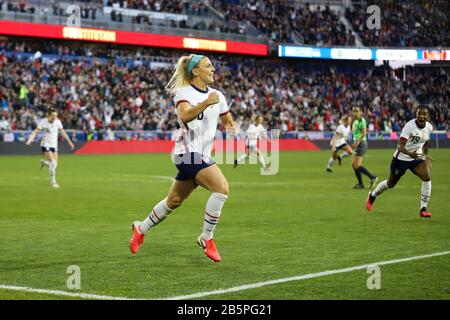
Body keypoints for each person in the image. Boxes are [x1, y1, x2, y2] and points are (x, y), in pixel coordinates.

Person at [129, 54, 238, 262]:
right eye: (209, 66)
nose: (213, 69)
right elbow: (185, 116)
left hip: (201, 155)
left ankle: (140, 229)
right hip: (186, 154)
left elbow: (228, 121)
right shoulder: (184, 93)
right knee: (222, 188)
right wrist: (206, 102)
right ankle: (207, 238)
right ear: (196, 71)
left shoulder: (218, 95)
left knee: (174, 200)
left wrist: (231, 130)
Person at [366, 106, 433, 218]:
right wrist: (410, 154)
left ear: (427, 116)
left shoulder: (429, 127)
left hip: (417, 158)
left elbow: (425, 141)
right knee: (390, 184)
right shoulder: (409, 126)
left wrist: (425, 154)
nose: (421, 116)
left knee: (426, 178)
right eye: (419, 114)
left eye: (424, 114)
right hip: (401, 159)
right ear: (416, 115)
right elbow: (400, 146)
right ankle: (372, 196)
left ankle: (423, 208)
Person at [26, 107, 75, 188]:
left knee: (55, 165)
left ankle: (44, 163)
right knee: (53, 163)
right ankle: (53, 182)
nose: (54, 117)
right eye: (53, 115)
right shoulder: (43, 122)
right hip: (46, 145)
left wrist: (69, 141)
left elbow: (62, 132)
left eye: (56, 115)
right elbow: (35, 132)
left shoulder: (58, 122)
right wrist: (30, 140)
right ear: (48, 115)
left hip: (54, 145)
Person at [351, 107, 377, 189]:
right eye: (354, 111)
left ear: (360, 112)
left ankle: (372, 177)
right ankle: (361, 184)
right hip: (358, 143)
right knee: (354, 165)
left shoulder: (361, 120)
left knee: (357, 165)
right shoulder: (355, 121)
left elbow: (364, 133)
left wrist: (357, 142)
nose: (355, 113)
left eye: (357, 111)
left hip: (361, 144)